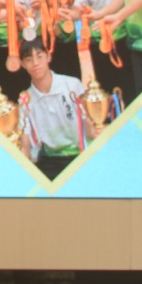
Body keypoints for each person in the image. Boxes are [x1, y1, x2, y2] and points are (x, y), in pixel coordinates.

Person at [16, 38, 101, 180]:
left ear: (48, 57)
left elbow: (87, 120)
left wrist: (96, 133)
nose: (35, 63)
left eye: (39, 56)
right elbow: (25, 141)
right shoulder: (25, 99)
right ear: (23, 64)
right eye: (29, 59)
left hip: (82, 153)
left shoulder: (72, 85)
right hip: (51, 162)